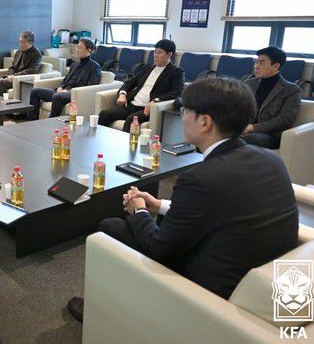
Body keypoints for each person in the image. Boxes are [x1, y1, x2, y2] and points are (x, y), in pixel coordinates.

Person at [67, 77, 298, 322]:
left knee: (111, 226)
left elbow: (159, 249)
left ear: (205, 122)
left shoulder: (200, 178)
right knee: (154, 220)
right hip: (260, 277)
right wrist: (159, 205)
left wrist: (140, 210)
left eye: (185, 111)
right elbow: (223, 208)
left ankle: (102, 310)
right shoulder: (271, 160)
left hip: (216, 289)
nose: (182, 117)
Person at [98, 39, 184, 131]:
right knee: (104, 114)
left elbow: (177, 92)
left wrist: (156, 100)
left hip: (146, 109)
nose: (155, 55)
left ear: (169, 54)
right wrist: (122, 94)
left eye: (159, 52)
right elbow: (130, 82)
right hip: (131, 105)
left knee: (131, 120)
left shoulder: (176, 72)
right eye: (155, 52)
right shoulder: (147, 68)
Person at [27, 38, 101, 120]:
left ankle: (51, 123)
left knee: (57, 96)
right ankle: (32, 121)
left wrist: (68, 91)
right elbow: (66, 80)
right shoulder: (74, 65)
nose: (77, 50)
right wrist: (61, 87)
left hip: (74, 94)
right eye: (77, 47)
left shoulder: (95, 67)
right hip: (61, 92)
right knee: (35, 91)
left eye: (80, 48)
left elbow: (91, 87)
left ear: (89, 50)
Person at [242, 47, 301, 149]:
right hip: (244, 128)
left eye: (262, 63)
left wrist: (252, 128)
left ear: (276, 66)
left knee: (248, 139)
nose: (256, 66)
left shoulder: (291, 90)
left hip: (270, 134)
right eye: (256, 62)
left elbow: (284, 120)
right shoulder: (249, 83)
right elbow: (236, 107)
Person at [0, 30, 42, 95]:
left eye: (23, 42)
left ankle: (2, 101)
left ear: (30, 42)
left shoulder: (37, 54)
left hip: (21, 80)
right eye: (20, 41)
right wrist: (10, 75)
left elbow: (32, 70)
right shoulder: (18, 52)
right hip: (11, 77)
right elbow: (13, 67)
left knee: (1, 82)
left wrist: (14, 76)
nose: (20, 44)